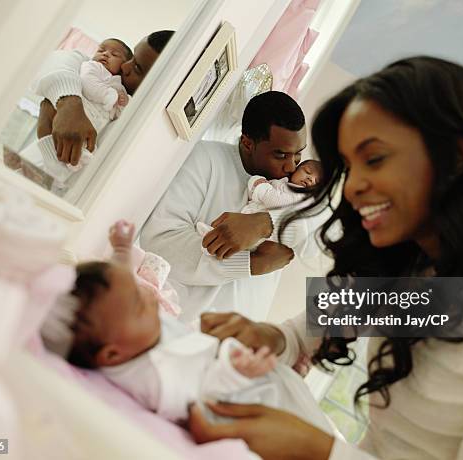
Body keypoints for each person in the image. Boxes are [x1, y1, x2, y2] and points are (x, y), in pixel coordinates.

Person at [187, 56, 463, 459]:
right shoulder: (417, 264)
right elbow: (300, 336)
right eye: (350, 166)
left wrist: (317, 449)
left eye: (375, 159)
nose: (354, 188)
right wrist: (265, 337)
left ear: (455, 156)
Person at [60, 220, 333, 433]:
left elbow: (371, 296)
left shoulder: (133, 332)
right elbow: (204, 400)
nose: (146, 294)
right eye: (136, 303)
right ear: (111, 354)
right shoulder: (152, 374)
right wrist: (271, 348)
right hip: (261, 394)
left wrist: (121, 249)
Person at [140, 91, 329, 323]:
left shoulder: (296, 191)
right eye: (280, 155)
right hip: (174, 328)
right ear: (248, 143)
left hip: (236, 345)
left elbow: (325, 238)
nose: (290, 167)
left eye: (298, 156)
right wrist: (251, 263)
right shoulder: (205, 158)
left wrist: (265, 224)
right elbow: (161, 243)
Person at [34, 30, 175, 167]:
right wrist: (68, 103)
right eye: (131, 57)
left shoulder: (139, 131)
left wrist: (47, 124)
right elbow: (54, 60)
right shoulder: (102, 71)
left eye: (137, 68)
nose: (125, 66)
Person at [20, 38, 133, 187]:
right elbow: (88, 83)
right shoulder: (92, 66)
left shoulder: (117, 84)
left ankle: (67, 167)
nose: (105, 54)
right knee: (58, 142)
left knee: (78, 150)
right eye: (101, 50)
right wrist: (110, 95)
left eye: (114, 54)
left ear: (123, 65)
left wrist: (123, 102)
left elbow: (120, 109)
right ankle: (59, 167)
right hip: (81, 113)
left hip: (94, 124)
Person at [196, 159, 323, 251]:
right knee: (231, 228)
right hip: (251, 211)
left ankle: (213, 242)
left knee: (239, 238)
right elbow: (256, 188)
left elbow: (277, 202)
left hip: (264, 229)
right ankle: (212, 235)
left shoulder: (302, 197)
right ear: (296, 170)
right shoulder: (282, 182)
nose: (310, 179)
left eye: (316, 182)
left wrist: (261, 188)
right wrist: (256, 182)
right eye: (307, 172)